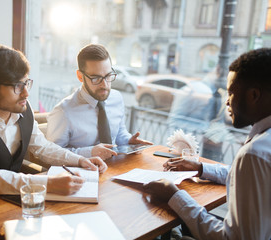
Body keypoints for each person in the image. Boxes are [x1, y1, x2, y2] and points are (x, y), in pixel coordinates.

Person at [0, 44, 107, 203]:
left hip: (10, 198)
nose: (26, 93)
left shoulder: (22, 108)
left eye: (26, 83)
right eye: (17, 86)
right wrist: (49, 184)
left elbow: (41, 146)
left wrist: (80, 160)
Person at [143, 48, 271, 240]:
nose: (227, 102)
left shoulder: (254, 154)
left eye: (231, 93)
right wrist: (201, 168)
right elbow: (249, 177)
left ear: (253, 95)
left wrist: (174, 195)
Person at [46, 44, 152, 160]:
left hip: (114, 169)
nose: (105, 85)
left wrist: (129, 141)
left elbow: (119, 133)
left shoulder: (117, 98)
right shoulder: (63, 112)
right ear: (80, 76)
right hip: (81, 174)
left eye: (108, 76)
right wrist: (90, 152)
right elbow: (51, 154)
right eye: (96, 78)